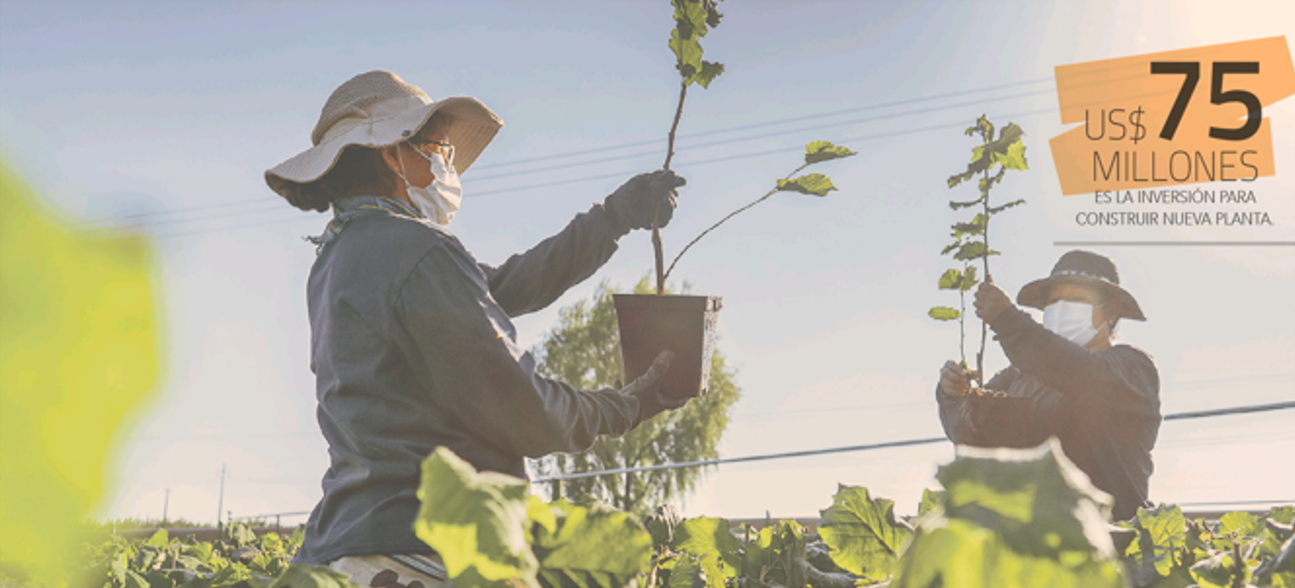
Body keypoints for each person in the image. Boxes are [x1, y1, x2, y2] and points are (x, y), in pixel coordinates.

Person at [264, 70, 689, 586]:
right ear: (392, 153)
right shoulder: (416, 252)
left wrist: (612, 218)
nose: (446, 164)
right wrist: (626, 406)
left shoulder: (344, 255)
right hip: (417, 557)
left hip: (351, 546)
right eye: (437, 148)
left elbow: (507, 285)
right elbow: (523, 408)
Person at [936, 250, 1160, 520]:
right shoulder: (1016, 377)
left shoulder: (1131, 369)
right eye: (1054, 300)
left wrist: (1008, 321)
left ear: (1110, 311)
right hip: (1030, 535)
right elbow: (970, 436)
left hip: (1111, 535)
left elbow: (1081, 373)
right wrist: (954, 394)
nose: (1062, 307)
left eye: (1078, 298)